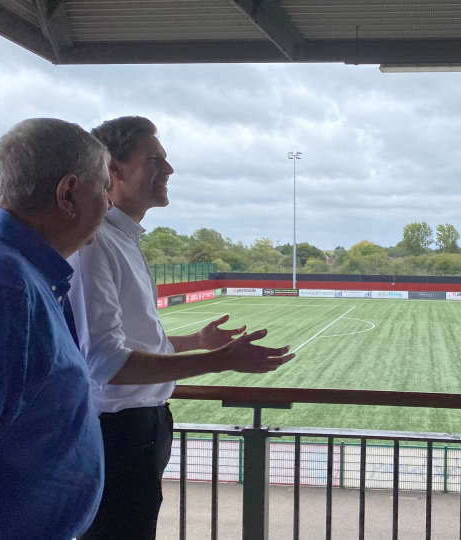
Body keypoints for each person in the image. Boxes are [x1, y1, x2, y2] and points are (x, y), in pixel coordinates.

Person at [68, 116, 294, 539]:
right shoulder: (95, 245)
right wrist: (218, 361)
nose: (169, 170)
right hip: (118, 435)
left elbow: (128, 344)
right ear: (113, 169)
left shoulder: (123, 241)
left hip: (142, 429)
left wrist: (196, 341)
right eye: (154, 160)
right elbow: (105, 363)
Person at [0, 119, 111, 539]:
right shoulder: (4, 288)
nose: (108, 204)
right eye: (103, 189)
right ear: (68, 195)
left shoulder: (15, 275)